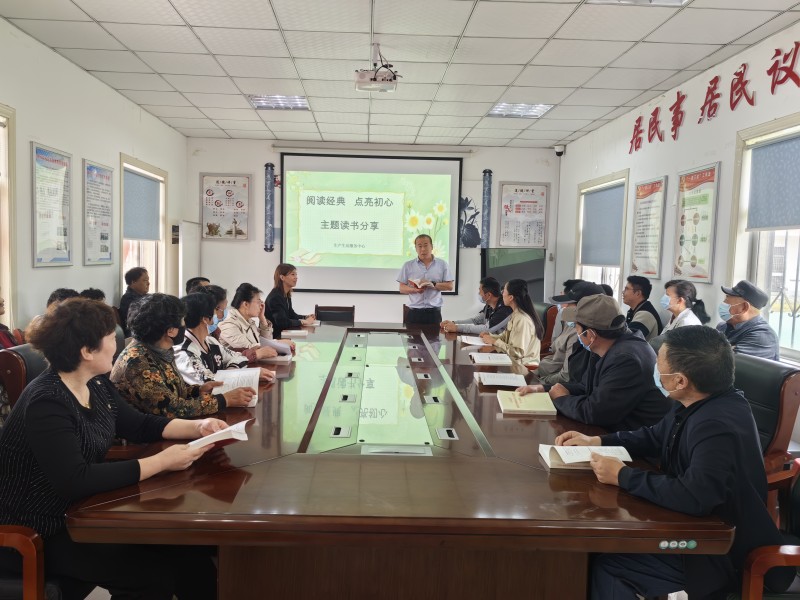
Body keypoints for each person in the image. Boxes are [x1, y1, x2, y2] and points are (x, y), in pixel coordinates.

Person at [0, 298, 223, 599]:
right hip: (40, 529)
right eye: (110, 337)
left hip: (83, 512)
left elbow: (139, 424)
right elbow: (74, 479)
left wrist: (199, 427)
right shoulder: (47, 401)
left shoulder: (96, 384)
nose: (117, 343)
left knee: (188, 552)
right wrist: (161, 462)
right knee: (150, 576)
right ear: (86, 351)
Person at [556, 326, 794, 599]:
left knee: (610, 565)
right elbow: (654, 436)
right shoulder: (698, 401)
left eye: (659, 367)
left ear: (680, 381)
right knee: (599, 548)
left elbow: (694, 496)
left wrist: (622, 476)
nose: (655, 371)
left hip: (716, 551)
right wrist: (597, 441)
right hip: (691, 527)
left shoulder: (717, 425)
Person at [520, 294, 671, 432]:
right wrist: (544, 389)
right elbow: (585, 387)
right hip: (609, 428)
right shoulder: (605, 346)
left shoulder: (626, 360)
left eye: (576, 327)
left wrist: (561, 399)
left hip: (632, 442)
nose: (575, 331)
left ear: (590, 334)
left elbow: (595, 412)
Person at [111, 293, 255, 417]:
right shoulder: (137, 362)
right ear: (170, 331)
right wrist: (224, 400)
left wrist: (197, 391)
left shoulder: (161, 348)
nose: (185, 325)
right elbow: (171, 409)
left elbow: (170, 390)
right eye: (182, 321)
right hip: (146, 437)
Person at [175, 293, 275, 385]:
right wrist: (251, 375)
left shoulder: (210, 341)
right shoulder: (184, 351)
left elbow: (239, 357)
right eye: (216, 312)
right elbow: (208, 383)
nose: (219, 317)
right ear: (205, 319)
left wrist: (232, 369)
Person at [542, 281, 606, 388]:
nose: (564, 307)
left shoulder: (583, 336)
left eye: (569, 305)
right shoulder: (571, 325)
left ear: (585, 309)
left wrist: (541, 383)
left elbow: (567, 377)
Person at [479, 278, 543, 365]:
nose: (501, 294)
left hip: (524, 367)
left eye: (504, 291)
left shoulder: (522, 319)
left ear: (511, 297)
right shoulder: (515, 314)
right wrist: (490, 336)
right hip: (512, 361)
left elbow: (518, 353)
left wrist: (494, 341)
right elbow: (505, 337)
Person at [398, 234, 454, 325]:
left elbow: (450, 286)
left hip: (434, 313)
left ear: (432, 246)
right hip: (414, 312)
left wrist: (432, 284)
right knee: (412, 334)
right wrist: (415, 290)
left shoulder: (442, 264)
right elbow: (402, 288)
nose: (423, 249)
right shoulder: (408, 265)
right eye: (419, 246)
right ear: (416, 248)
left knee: (435, 335)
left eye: (425, 245)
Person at [218, 283, 283, 362]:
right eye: (259, 302)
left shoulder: (248, 321)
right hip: (239, 367)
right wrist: (278, 343)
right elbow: (249, 348)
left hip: (252, 364)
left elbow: (265, 343)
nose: (261, 305)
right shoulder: (228, 324)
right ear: (246, 304)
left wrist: (262, 318)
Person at [717, 280, 780, 361]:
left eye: (727, 298)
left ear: (744, 307)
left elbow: (720, 361)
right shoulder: (722, 327)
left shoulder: (763, 335)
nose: (723, 303)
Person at [440, 277, 512, 334]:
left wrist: (457, 328)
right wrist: (453, 323)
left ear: (488, 295)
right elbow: (475, 321)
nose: (478, 294)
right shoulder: (489, 306)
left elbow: (487, 329)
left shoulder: (505, 309)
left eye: (480, 291)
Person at [266, 263, 315, 338]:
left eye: (296, 274)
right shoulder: (275, 297)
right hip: (275, 337)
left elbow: (291, 314)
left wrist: (305, 317)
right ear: (282, 277)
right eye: (293, 274)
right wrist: (303, 322)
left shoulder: (286, 294)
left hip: (284, 334)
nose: (296, 277)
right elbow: (282, 322)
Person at [622, 275, 663, 341]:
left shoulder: (645, 315)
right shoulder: (636, 310)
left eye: (626, 289)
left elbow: (628, 340)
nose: (623, 292)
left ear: (638, 293)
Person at [119, 267, 150, 337]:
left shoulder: (146, 296)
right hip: (136, 334)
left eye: (148, 280)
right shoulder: (128, 298)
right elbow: (139, 321)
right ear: (133, 282)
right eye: (145, 280)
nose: (148, 283)